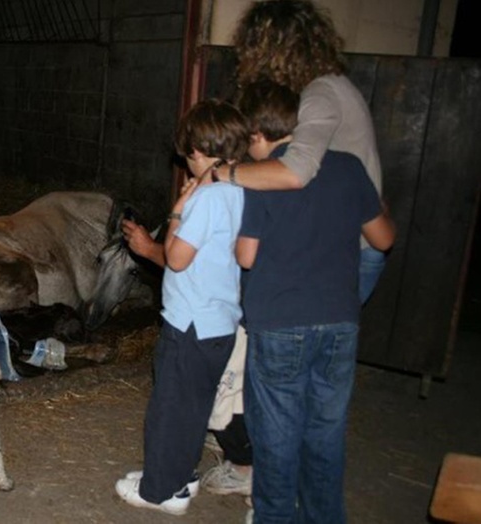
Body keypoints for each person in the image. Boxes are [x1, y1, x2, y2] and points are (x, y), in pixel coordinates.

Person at [235, 79, 396, 523]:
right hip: (340, 322)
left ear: (257, 135)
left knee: (276, 436)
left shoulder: (262, 178)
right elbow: (383, 238)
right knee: (325, 433)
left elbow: (246, 257)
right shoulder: (348, 168)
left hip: (281, 322)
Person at [113, 99, 248, 516]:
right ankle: (179, 476)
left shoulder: (206, 200)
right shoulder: (241, 190)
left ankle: (161, 491)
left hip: (190, 324)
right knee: (191, 408)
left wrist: (176, 211)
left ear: (199, 151)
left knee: (170, 410)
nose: (187, 162)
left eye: (189, 153)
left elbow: (176, 258)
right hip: (217, 322)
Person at [208, 0, 387, 303]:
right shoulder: (325, 87)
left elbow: (295, 172)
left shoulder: (321, 94)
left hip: (348, 252)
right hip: (342, 243)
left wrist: (224, 172)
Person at [122, 221, 254, 500]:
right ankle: (180, 475)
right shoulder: (230, 192)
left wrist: (148, 248)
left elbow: (185, 260)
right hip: (220, 313)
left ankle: (245, 467)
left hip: (211, 316)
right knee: (199, 401)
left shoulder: (216, 196)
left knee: (222, 398)